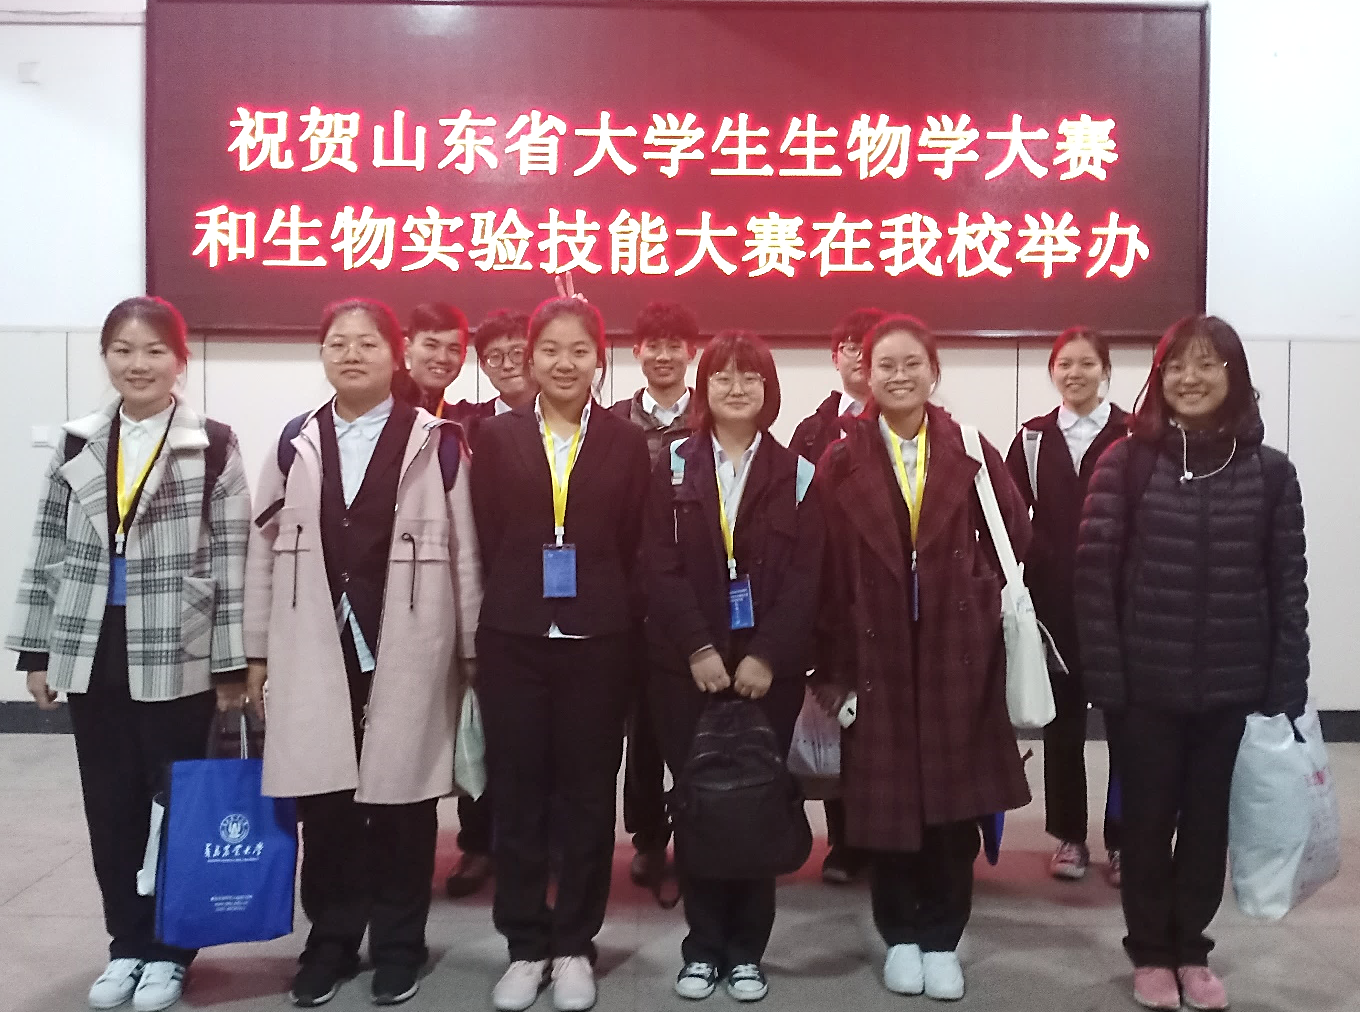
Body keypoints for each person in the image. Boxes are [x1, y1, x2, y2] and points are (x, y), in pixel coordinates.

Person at [7, 296, 251, 1013]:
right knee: (110, 805)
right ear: (106, 358)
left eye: (153, 350)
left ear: (181, 360)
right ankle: (126, 944)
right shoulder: (77, 442)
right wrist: (37, 650)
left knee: (177, 804)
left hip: (179, 646)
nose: (137, 364)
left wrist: (231, 662)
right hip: (92, 644)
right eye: (123, 350)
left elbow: (234, 557)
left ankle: (172, 951)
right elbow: (46, 544)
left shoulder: (214, 442)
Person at [243, 297, 481, 1009]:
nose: (351, 354)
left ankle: (400, 945)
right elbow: (262, 551)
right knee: (326, 801)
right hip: (314, 641)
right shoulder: (296, 441)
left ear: (396, 353)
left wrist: (472, 647)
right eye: (337, 343)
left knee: (404, 800)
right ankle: (331, 941)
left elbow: (465, 551)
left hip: (408, 642)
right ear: (321, 354)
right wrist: (255, 649)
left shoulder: (436, 441)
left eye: (367, 343)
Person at [1075, 314, 1309, 1013]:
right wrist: (1106, 678)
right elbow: (1093, 579)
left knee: (1209, 823)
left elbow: (1287, 584)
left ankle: (1191, 948)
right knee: (1146, 823)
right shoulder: (1126, 462)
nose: (1190, 377)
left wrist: (1286, 684)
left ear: (1234, 377)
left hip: (1231, 685)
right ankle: (1150, 950)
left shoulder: (1270, 472)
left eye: (1208, 363)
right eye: (1176, 364)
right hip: (1145, 685)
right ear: (1158, 377)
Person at [812, 315, 1031, 1003]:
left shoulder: (968, 446)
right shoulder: (840, 458)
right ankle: (899, 935)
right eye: (886, 364)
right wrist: (831, 673)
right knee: (886, 810)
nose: (899, 375)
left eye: (912, 363)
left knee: (951, 811)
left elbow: (1014, 531)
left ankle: (941, 936)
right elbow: (823, 573)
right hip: (873, 653)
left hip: (953, 656)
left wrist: (973, 592)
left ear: (934, 371)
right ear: (866, 374)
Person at [471, 297, 651, 1013]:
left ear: (599, 358)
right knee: (516, 794)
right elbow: (486, 532)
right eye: (550, 349)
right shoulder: (495, 436)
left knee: (586, 796)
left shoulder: (625, 442)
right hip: (514, 637)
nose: (565, 363)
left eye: (579, 350)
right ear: (530, 357)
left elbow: (634, 541)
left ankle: (575, 943)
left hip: (598, 640)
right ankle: (524, 944)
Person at [643, 330, 824, 1003]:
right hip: (682, 669)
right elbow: (655, 564)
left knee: (753, 803)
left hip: (766, 674)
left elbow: (807, 577)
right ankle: (702, 947)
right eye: (723, 375)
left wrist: (766, 654)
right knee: (698, 803)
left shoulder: (798, 474)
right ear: (704, 388)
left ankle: (746, 949)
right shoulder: (669, 465)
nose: (737, 387)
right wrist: (697, 646)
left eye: (751, 376)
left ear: (768, 389)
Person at [1005, 327, 1129, 886]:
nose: (1074, 373)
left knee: (1128, 729)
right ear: (1052, 372)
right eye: (1064, 364)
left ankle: (1125, 839)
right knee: (1062, 727)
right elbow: (1010, 514)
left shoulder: (1135, 434)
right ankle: (1069, 838)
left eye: (1086, 363)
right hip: (1053, 606)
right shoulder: (1033, 438)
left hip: (1123, 605)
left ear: (1106, 370)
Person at [787, 306, 884, 885]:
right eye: (850, 346)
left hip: (889, 599)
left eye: (869, 347)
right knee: (836, 717)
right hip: (832, 593)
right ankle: (844, 842)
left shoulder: (915, 426)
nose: (859, 357)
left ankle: (887, 838)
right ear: (835, 357)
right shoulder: (811, 430)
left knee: (886, 726)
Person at [609, 300, 700, 890]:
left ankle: (698, 828)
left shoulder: (714, 416)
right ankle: (647, 835)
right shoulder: (613, 422)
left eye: (675, 344)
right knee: (641, 724)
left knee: (695, 721)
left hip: (697, 593)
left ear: (692, 352)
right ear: (637, 351)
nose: (663, 355)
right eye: (653, 344)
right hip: (630, 595)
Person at [446, 309, 536, 448]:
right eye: (495, 357)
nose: (507, 365)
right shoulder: (466, 425)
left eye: (517, 353)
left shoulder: (565, 417)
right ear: (483, 366)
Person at [398, 301, 469, 417]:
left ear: (464, 356)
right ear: (407, 347)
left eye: (453, 349)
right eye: (431, 346)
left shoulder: (463, 419)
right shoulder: (378, 406)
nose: (442, 358)